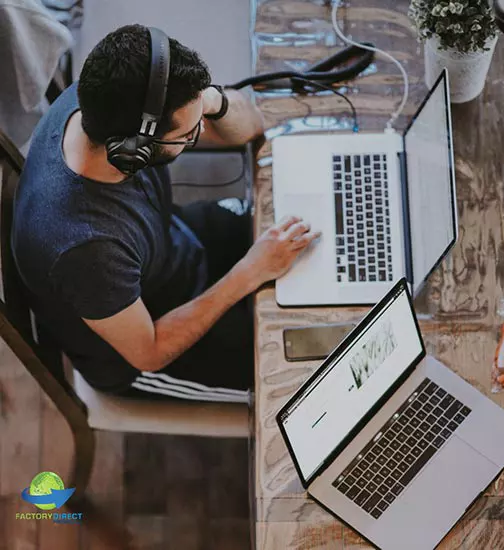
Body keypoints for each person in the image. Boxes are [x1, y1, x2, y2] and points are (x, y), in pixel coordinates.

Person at [12, 24, 320, 402]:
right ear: (135, 150)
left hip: (170, 249)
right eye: (188, 134)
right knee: (307, 373)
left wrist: (209, 101)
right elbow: (150, 351)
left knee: (313, 237)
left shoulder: (106, 98)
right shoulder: (85, 248)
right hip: (146, 348)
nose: (198, 135)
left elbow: (250, 125)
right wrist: (250, 272)